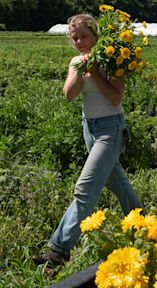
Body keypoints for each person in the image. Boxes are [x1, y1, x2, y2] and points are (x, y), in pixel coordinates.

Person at [33, 14, 142, 266]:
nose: (80, 41)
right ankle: (144, 223)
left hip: (110, 130)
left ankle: (58, 251)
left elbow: (115, 98)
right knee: (119, 185)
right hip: (89, 129)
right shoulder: (75, 61)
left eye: (84, 36)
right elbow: (69, 95)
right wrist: (80, 70)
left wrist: (95, 72)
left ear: (96, 35)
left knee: (85, 190)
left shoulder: (113, 59)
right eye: (75, 38)